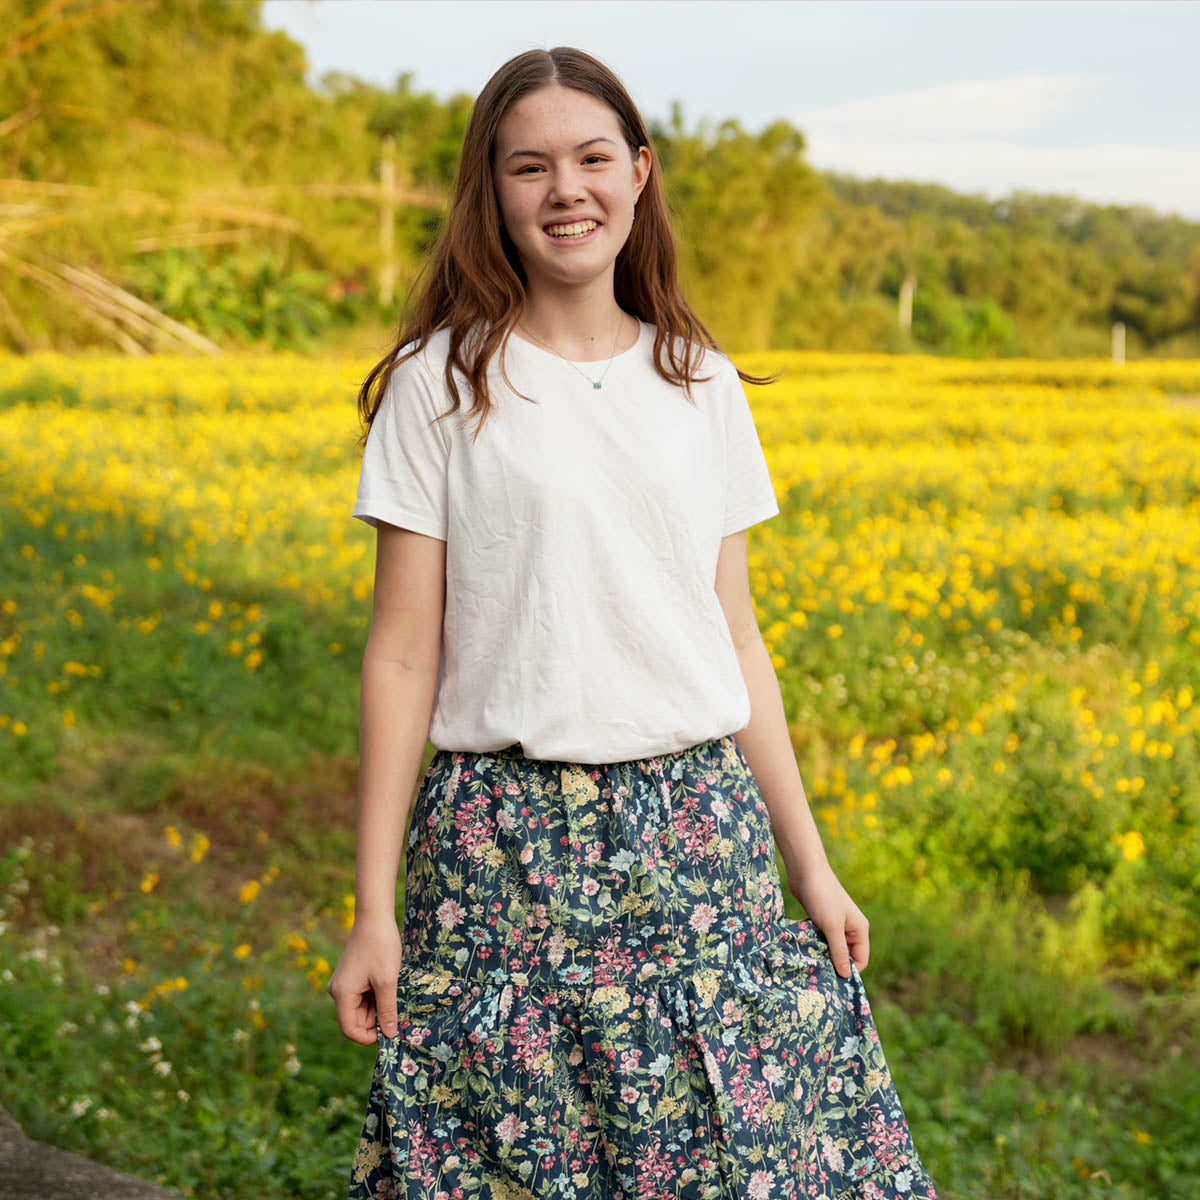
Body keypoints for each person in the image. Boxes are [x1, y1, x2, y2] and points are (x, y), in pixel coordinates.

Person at [328, 45, 938, 1200]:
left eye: (593, 158)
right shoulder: (437, 384)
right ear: (491, 193)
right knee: (513, 1162)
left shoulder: (701, 382)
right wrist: (372, 911)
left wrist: (812, 865)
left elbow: (735, 638)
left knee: (734, 1156)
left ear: (641, 172)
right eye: (530, 166)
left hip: (699, 841)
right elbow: (403, 654)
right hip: (498, 854)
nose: (567, 190)